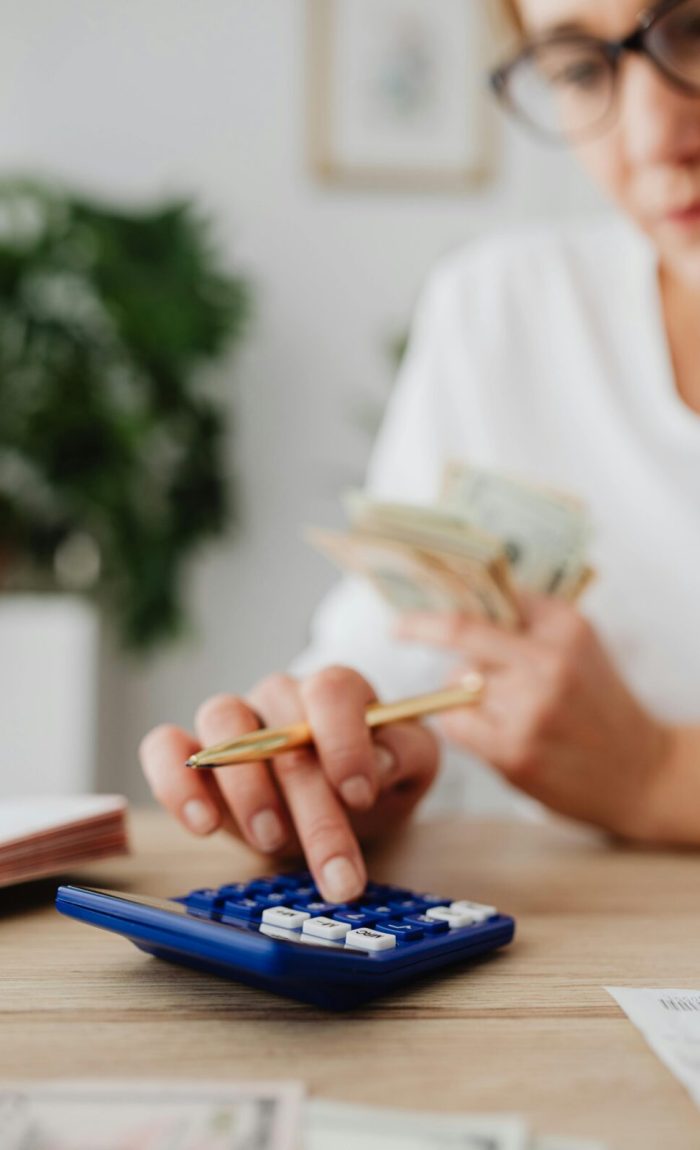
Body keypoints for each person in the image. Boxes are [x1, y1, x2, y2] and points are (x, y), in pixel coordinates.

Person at [140, 0, 700, 906]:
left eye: (696, 30)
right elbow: (395, 646)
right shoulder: (501, 309)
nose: (650, 139)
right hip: (571, 952)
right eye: (578, 68)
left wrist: (657, 774)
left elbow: (648, 773)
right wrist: (349, 755)